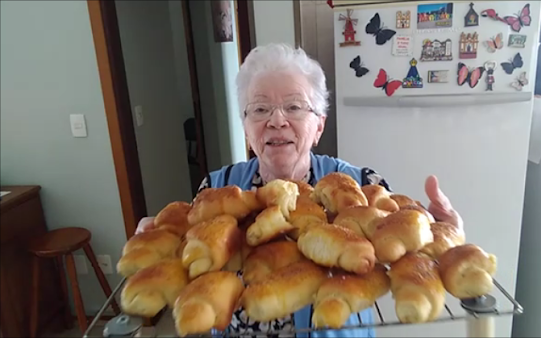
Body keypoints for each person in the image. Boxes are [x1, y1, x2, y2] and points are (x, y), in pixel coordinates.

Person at [136, 43, 464, 338]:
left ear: (319, 125)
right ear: (247, 128)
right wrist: (160, 241)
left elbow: (407, 257)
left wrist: (447, 234)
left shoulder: (363, 185)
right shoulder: (217, 188)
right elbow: (187, 264)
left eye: (294, 107)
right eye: (260, 109)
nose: (277, 121)